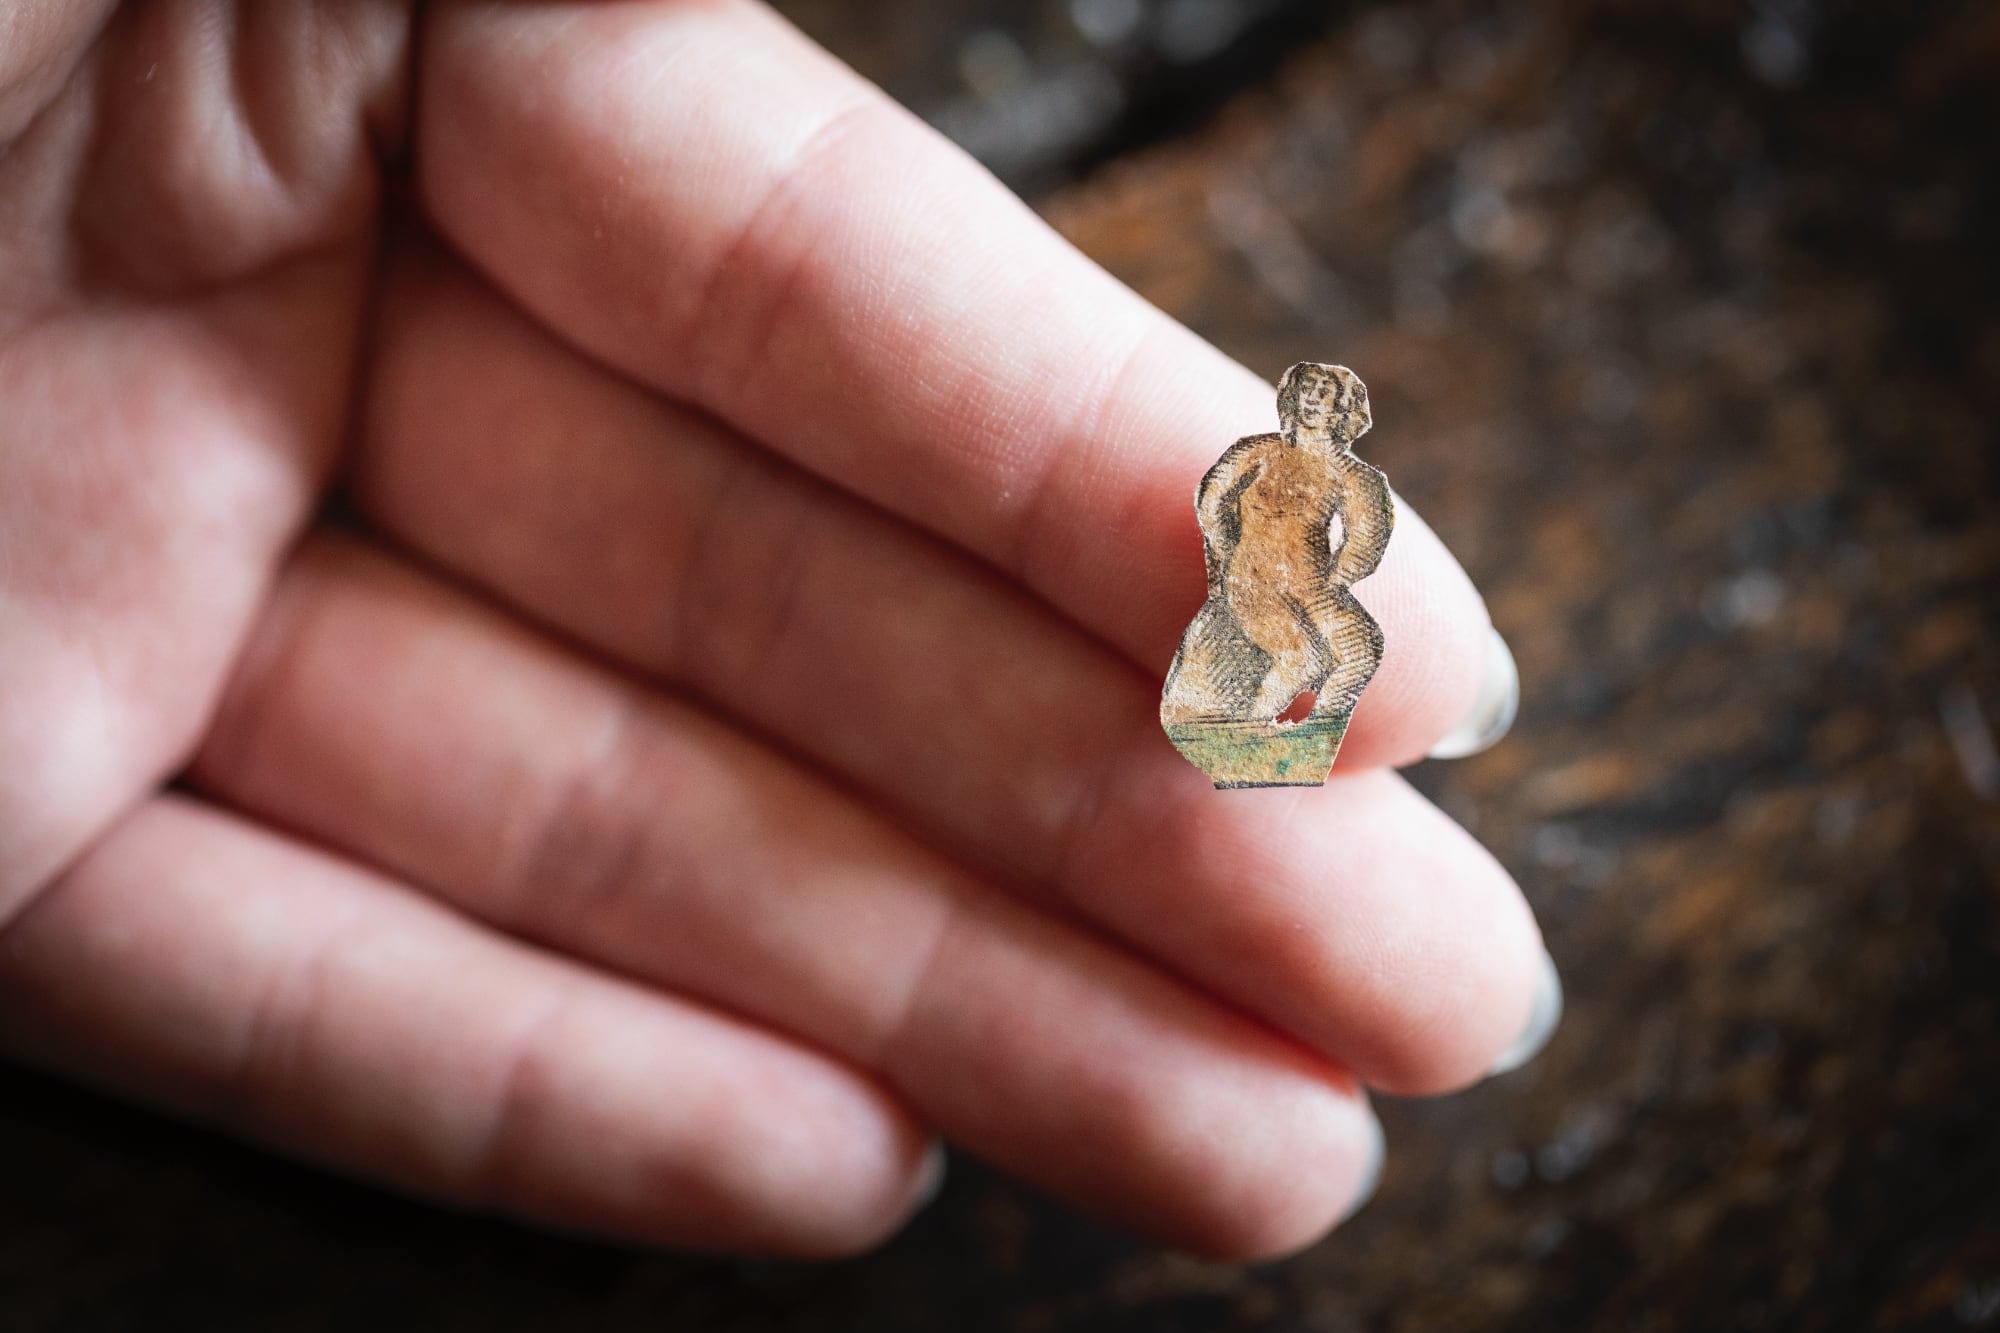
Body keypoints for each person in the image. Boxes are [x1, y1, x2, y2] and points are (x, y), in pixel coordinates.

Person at [0, 1, 1553, 1261]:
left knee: (1328, 663)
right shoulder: (1260, 475)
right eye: (1330, 408)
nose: (1329, 418)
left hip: (1282, 606)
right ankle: (1248, 712)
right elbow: (1228, 507)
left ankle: (1259, 716)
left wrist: (1302, 563)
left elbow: (1300, 536)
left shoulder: (1316, 492)